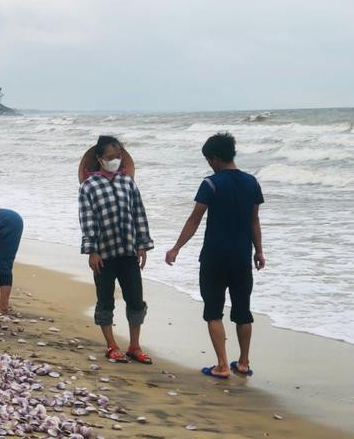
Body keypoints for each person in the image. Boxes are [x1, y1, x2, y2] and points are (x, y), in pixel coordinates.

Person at [165, 132, 265, 379]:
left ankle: (221, 365)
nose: (209, 165)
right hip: (242, 257)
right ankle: (243, 362)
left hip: (214, 258)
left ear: (216, 158)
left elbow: (194, 219)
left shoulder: (210, 184)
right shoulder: (252, 182)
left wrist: (176, 247)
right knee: (243, 311)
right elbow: (255, 221)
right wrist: (259, 251)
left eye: (209, 160)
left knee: (213, 311)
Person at [78, 135, 154, 364]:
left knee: (136, 300)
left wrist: (142, 245)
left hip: (128, 252)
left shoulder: (128, 183)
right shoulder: (88, 186)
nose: (115, 161)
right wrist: (91, 251)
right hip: (103, 255)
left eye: (118, 156)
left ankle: (134, 345)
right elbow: (88, 220)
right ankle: (111, 345)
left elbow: (139, 214)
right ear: (100, 159)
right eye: (110, 157)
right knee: (105, 301)